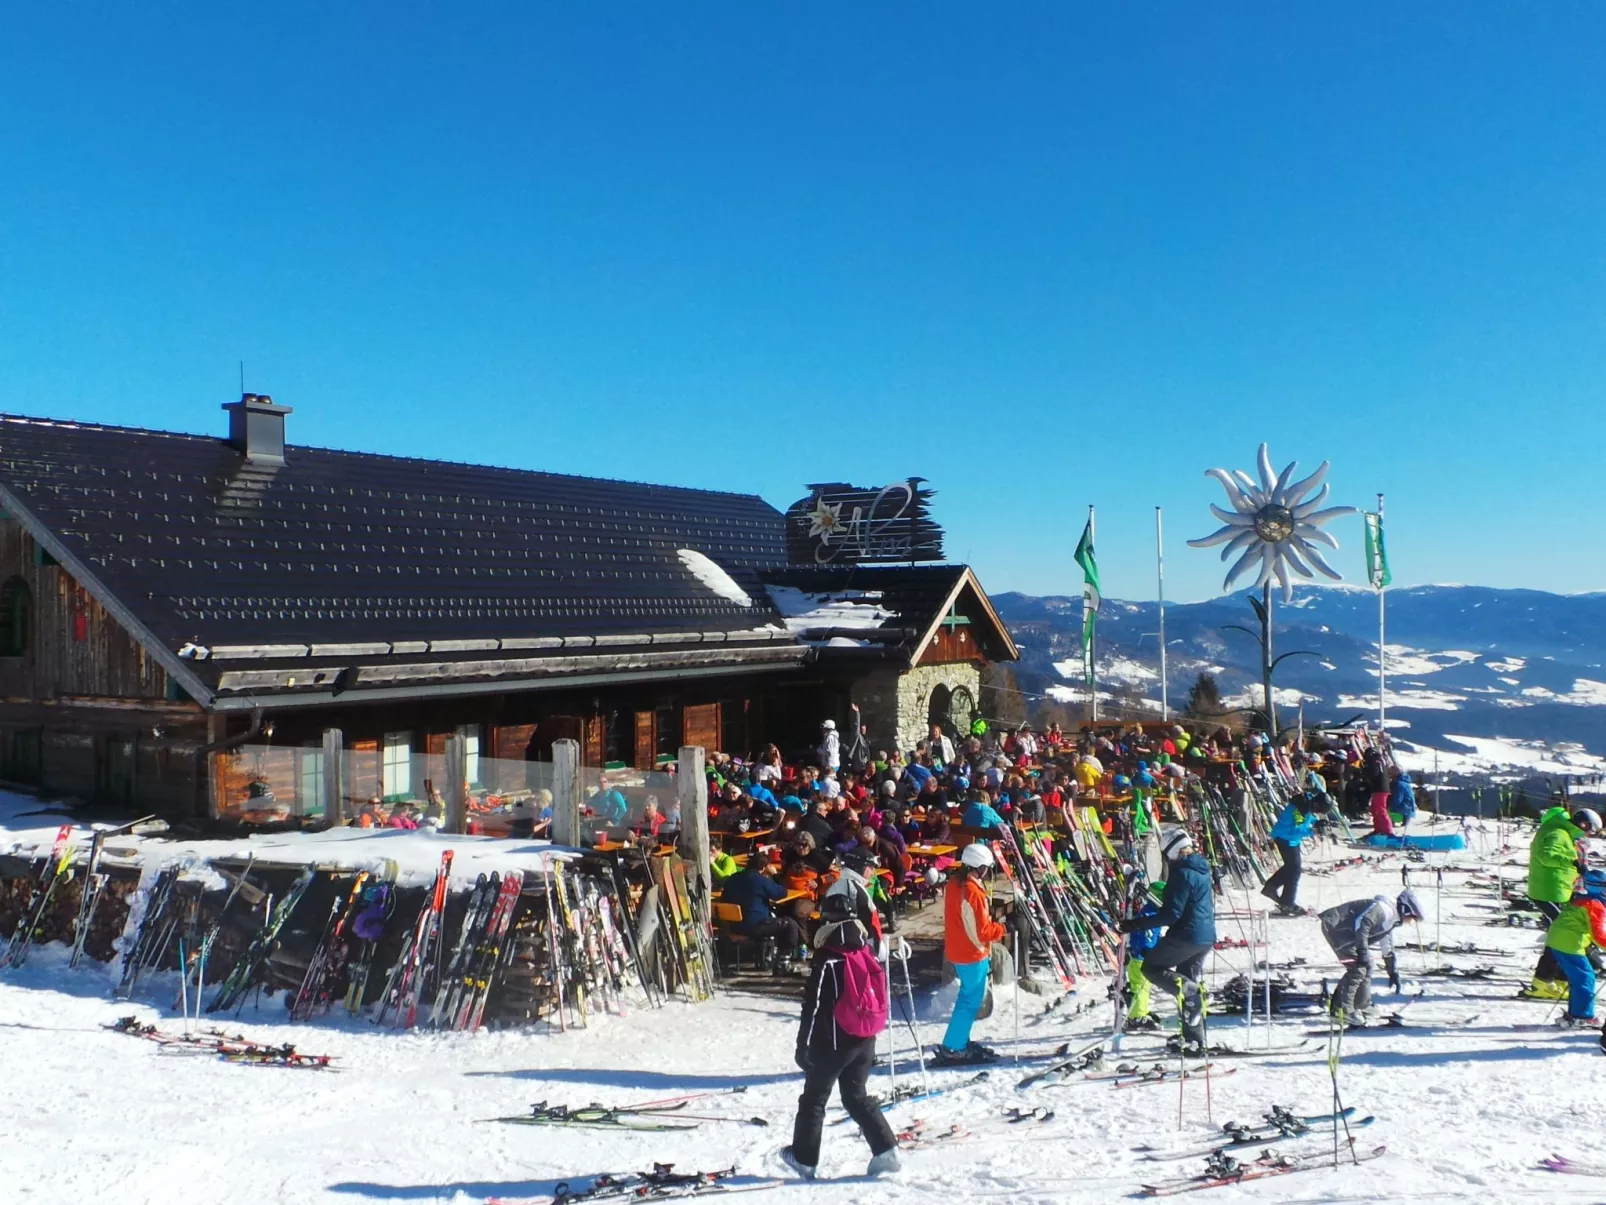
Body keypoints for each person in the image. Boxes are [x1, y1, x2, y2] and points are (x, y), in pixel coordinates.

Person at [780, 892, 900, 1180]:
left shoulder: (828, 957)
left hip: (834, 1041)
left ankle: (804, 1159)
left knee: (814, 1099)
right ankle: (886, 1151)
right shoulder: (864, 949)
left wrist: (802, 1045)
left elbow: (815, 1004)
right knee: (856, 1096)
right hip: (865, 1037)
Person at [1119, 827, 1215, 1055]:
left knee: (1151, 967)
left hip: (1186, 935)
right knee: (1187, 988)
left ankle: (1193, 994)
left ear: (1170, 852)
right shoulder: (1201, 868)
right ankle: (1194, 1040)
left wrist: (1137, 925)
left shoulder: (1182, 873)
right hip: (1205, 936)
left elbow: (1172, 913)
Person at [936, 843, 1006, 1065]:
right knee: (970, 1001)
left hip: (957, 949)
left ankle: (959, 1041)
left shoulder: (955, 884)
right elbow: (982, 931)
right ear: (980, 867)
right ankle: (954, 1046)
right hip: (972, 953)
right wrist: (1002, 928)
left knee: (966, 998)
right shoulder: (973, 892)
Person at [1318, 890, 1424, 1026]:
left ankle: (1361, 1004)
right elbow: (1361, 923)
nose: (1411, 922)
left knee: (1366, 964)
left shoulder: (1392, 919)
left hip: (1348, 934)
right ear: (1406, 910)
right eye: (1413, 918)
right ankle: (1342, 1011)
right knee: (1358, 969)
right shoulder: (1383, 909)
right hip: (1336, 929)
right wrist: (1362, 950)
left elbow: (1387, 944)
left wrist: (1392, 971)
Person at [1526, 808, 1602, 994]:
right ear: (1583, 824)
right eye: (1589, 829)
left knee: (1564, 934)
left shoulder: (1563, 831)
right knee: (1562, 935)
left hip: (1558, 889)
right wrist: (1572, 862)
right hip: (1549, 890)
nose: (1589, 834)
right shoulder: (1557, 832)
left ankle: (1560, 978)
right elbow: (1546, 855)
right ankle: (1543, 982)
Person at [1539, 877, 1606, 1027]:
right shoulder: (1594, 905)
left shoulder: (1582, 899)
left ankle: (1575, 1013)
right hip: (1569, 943)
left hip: (1558, 940)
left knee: (1579, 978)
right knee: (1585, 978)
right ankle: (1582, 1016)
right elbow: (1598, 935)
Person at [718, 860, 804, 972]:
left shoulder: (732, 879)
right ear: (763, 868)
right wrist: (775, 875)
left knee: (767, 919)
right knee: (790, 925)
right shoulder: (761, 881)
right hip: (754, 927)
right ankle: (782, 964)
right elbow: (782, 893)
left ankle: (764, 957)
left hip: (733, 926)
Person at [1263, 785, 1321, 916]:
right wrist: (1313, 831)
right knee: (1294, 870)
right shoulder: (1299, 809)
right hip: (1285, 838)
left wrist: (1317, 822)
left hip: (1291, 839)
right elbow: (1296, 829)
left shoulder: (1307, 804)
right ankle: (1287, 903)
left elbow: (1308, 818)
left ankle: (1272, 888)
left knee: (1292, 868)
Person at [1362, 749, 1392, 836]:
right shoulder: (1380, 760)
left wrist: (1365, 771)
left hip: (1380, 788)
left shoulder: (1374, 761)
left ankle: (1388, 831)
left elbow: (1373, 773)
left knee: (1380, 810)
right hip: (1380, 788)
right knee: (1375, 809)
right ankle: (1378, 829)